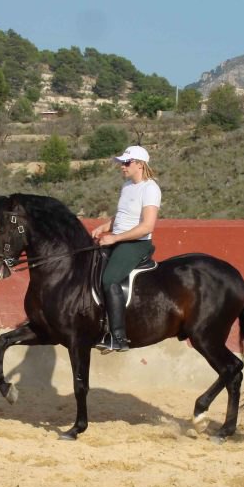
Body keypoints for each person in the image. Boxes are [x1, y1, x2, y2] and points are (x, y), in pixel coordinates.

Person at [91, 145, 161, 353]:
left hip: (136, 244)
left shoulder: (150, 188)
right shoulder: (127, 186)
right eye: (122, 162)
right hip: (119, 239)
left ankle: (118, 338)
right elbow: (122, 216)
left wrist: (115, 239)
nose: (122, 166)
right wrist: (104, 227)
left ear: (140, 164)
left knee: (109, 279)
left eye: (126, 162)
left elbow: (147, 226)